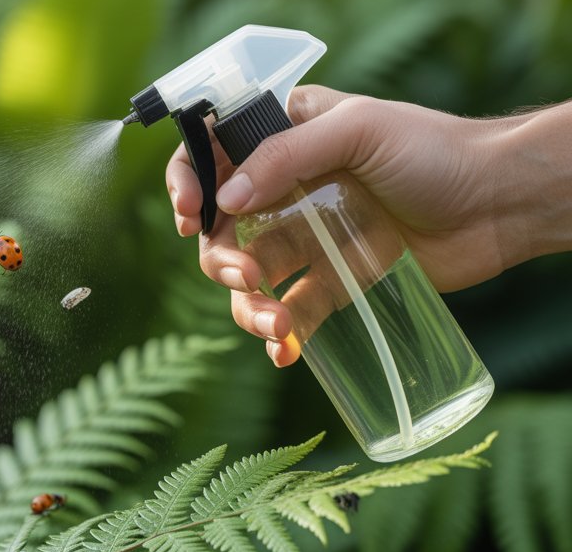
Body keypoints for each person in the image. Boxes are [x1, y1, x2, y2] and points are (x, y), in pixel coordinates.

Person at [165, 85, 572, 367]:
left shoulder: (346, 182)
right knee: (276, 305)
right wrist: (497, 189)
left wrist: (489, 183)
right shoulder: (334, 193)